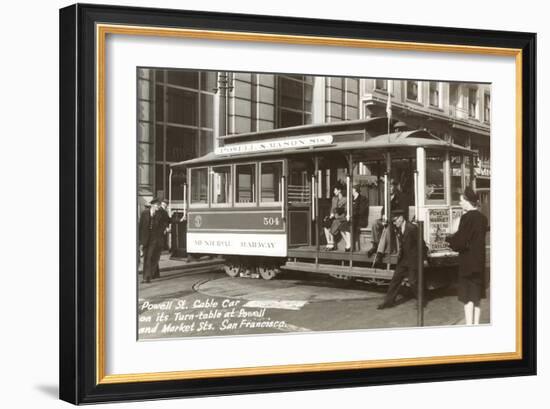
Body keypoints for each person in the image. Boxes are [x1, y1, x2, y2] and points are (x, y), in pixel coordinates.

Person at [446, 187, 489, 325]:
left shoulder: (466, 218)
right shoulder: (483, 218)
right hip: (479, 263)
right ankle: (476, 325)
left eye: (460, 200)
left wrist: (449, 240)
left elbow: (461, 242)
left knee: (467, 298)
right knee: (476, 298)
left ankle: (469, 327)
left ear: (466, 201)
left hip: (467, 264)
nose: (459, 203)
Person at [377, 211, 420, 309]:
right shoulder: (399, 228)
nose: (394, 223)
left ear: (401, 218)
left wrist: (423, 259)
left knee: (413, 282)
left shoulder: (412, 228)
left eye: (395, 221)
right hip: (403, 260)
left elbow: (421, 244)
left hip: (413, 259)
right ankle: (388, 302)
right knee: (395, 281)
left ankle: (421, 301)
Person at [367, 179, 409, 261]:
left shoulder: (401, 197)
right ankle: (375, 245)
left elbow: (403, 211)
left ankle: (380, 252)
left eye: (390, 186)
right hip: (387, 219)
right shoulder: (387, 197)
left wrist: (392, 218)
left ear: (395, 187)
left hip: (396, 221)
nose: (389, 188)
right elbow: (383, 209)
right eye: (388, 186)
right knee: (375, 223)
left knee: (387, 227)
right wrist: (383, 216)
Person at [138, 198, 164, 283]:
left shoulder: (160, 214)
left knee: (150, 257)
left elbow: (167, 220)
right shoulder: (144, 213)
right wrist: (139, 241)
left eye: (159, 205)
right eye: (157, 205)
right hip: (145, 239)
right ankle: (152, 274)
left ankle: (146, 277)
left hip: (155, 239)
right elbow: (140, 227)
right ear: (152, 205)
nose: (158, 207)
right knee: (147, 258)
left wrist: (180, 220)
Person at [323, 183, 351, 251]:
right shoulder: (334, 199)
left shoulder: (346, 199)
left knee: (334, 223)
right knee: (326, 224)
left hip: (342, 218)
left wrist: (338, 214)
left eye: (335, 190)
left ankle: (332, 244)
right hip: (335, 217)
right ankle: (330, 242)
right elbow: (332, 209)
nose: (334, 191)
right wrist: (331, 215)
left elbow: (347, 210)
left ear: (339, 190)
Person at [152, 198, 171, 279]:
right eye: (163, 204)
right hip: (156, 236)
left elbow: (167, 221)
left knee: (156, 255)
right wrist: (165, 228)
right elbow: (159, 223)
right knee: (155, 255)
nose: (165, 205)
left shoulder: (163, 212)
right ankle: (154, 274)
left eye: (166, 204)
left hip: (158, 236)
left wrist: (180, 219)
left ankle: (155, 274)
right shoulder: (159, 212)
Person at [351, 184, 369, 251]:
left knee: (351, 223)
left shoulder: (363, 199)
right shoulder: (351, 198)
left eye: (352, 189)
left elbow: (362, 211)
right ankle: (350, 244)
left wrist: (353, 214)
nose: (350, 190)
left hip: (361, 220)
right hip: (353, 219)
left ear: (355, 190)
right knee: (344, 224)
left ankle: (352, 246)